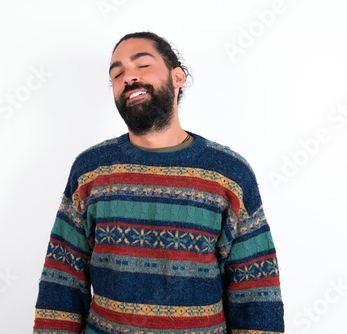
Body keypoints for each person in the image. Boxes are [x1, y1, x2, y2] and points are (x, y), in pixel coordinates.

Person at [33, 31, 284, 334]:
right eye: (117, 73)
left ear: (178, 77)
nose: (128, 77)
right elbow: (62, 278)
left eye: (142, 65)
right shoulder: (91, 170)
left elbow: (256, 290)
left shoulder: (229, 173)